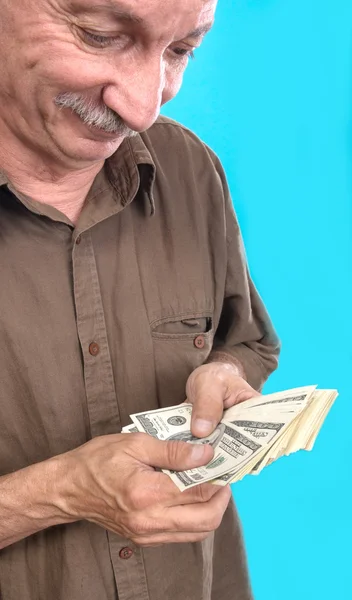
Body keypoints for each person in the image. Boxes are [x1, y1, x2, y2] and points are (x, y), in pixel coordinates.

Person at [0, 1, 280, 598]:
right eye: (100, 37)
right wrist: (54, 493)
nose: (144, 106)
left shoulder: (188, 167)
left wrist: (225, 373)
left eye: (181, 50)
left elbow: (246, 340)